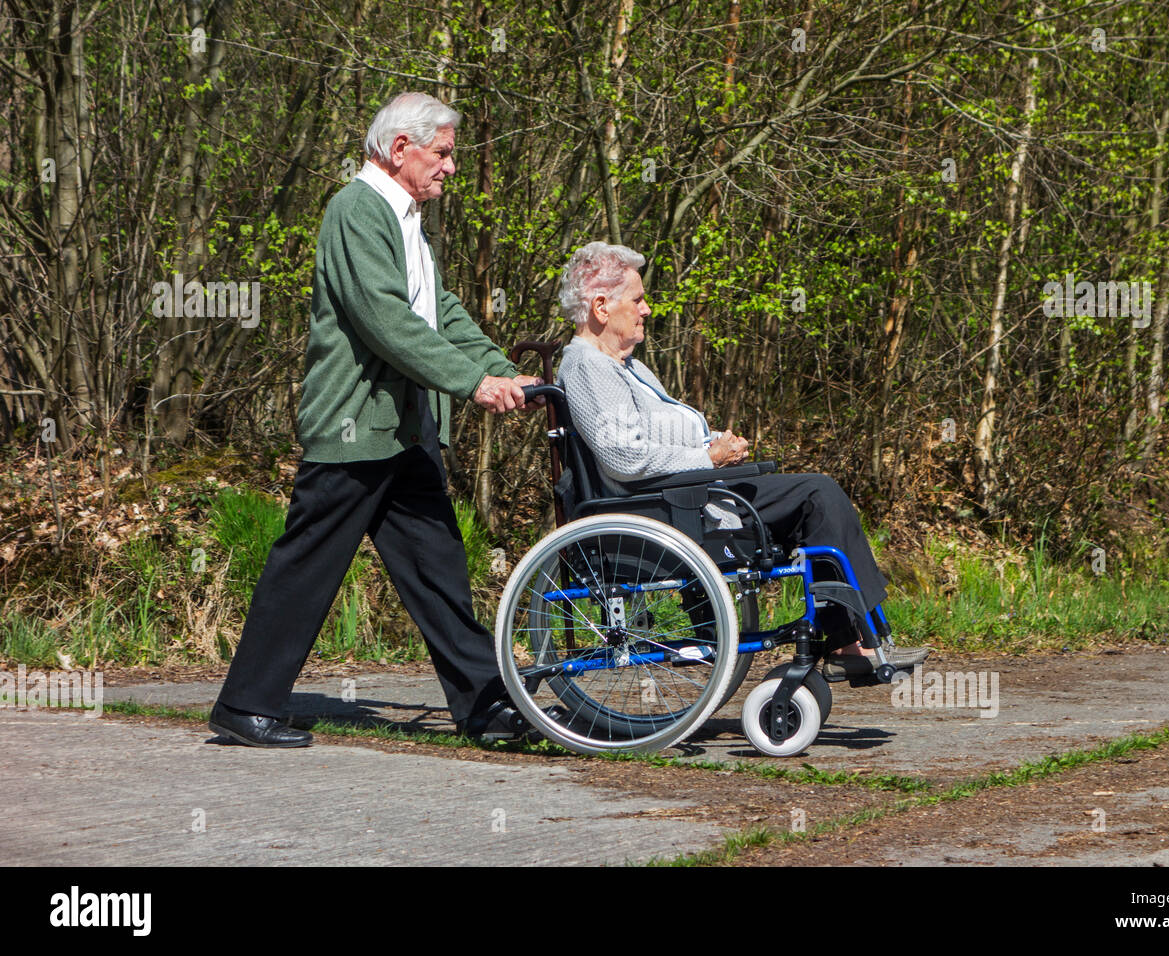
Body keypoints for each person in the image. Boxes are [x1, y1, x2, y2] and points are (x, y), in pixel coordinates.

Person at [209, 92, 545, 747]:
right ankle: (245, 704)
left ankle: (486, 708)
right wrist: (474, 383)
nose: (452, 167)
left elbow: (439, 313)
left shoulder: (406, 219)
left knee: (438, 569)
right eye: (443, 154)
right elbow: (385, 321)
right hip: (354, 430)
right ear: (400, 149)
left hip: (404, 432)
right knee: (307, 566)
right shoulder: (357, 210)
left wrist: (503, 371)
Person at [553, 241, 930, 680]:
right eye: (638, 299)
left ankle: (850, 642)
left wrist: (716, 442)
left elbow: (656, 433)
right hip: (662, 508)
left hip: (682, 493)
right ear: (601, 306)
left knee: (814, 498)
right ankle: (858, 641)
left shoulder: (624, 365)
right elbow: (623, 456)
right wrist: (708, 457)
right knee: (816, 493)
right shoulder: (587, 367)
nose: (647, 309)